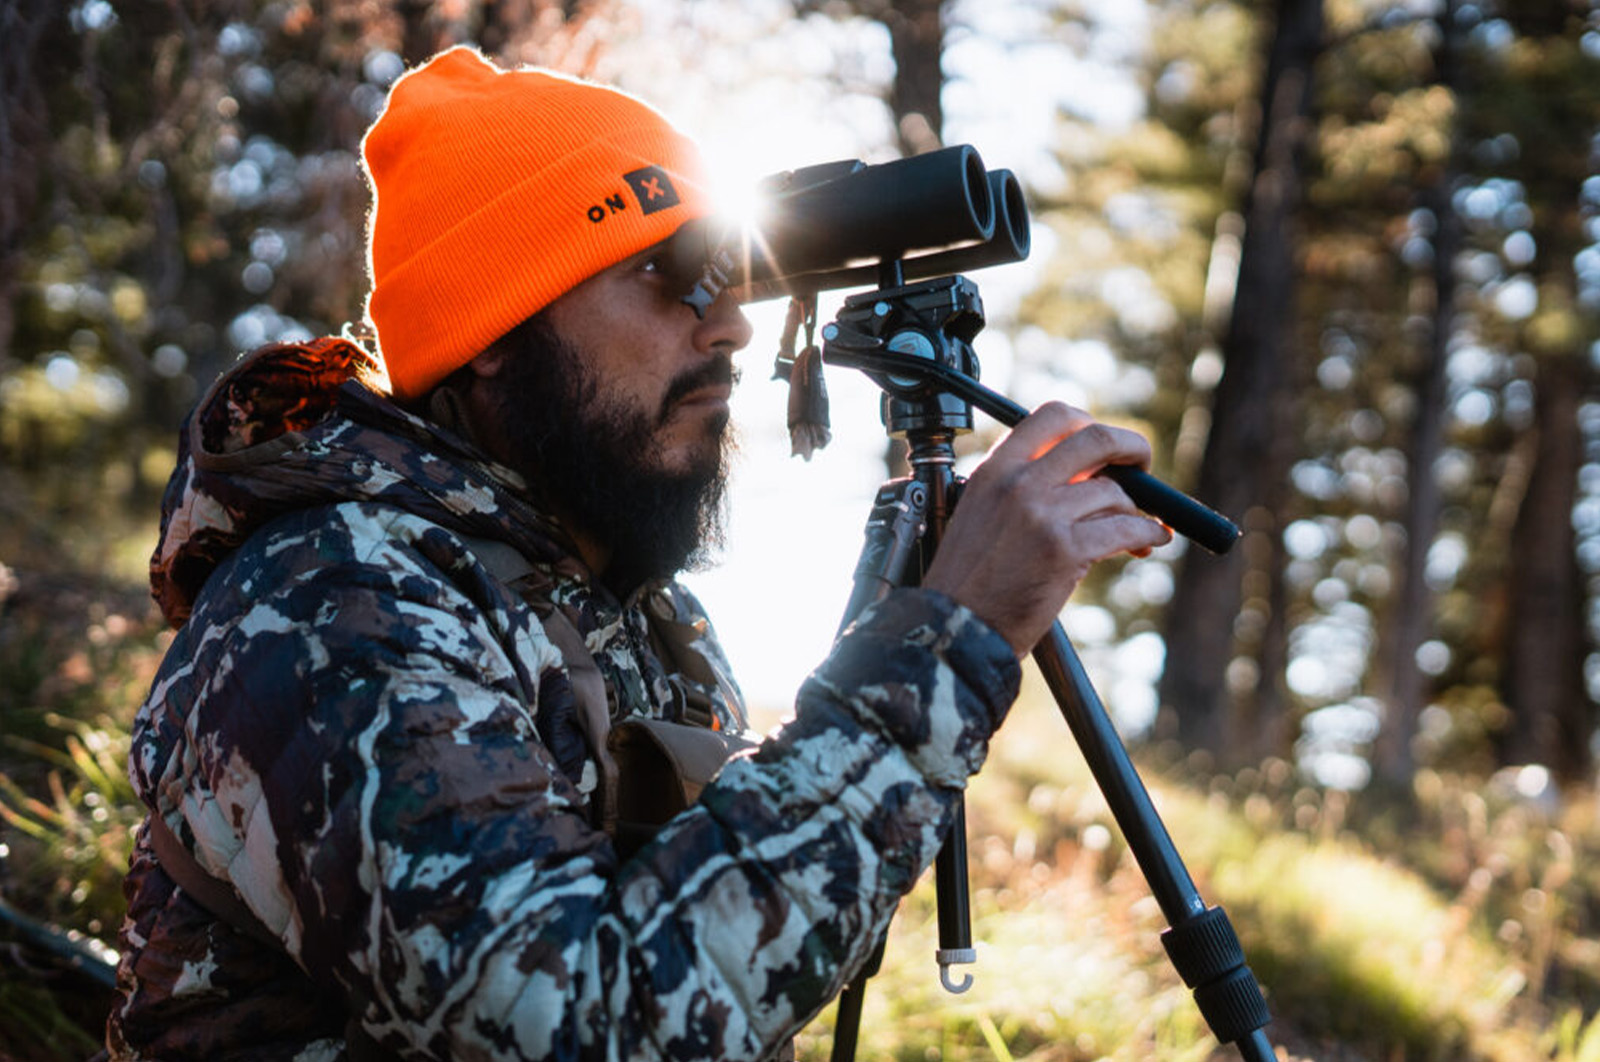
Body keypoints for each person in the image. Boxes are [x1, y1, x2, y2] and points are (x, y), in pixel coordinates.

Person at [106, 46, 1170, 1061]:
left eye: (728, 272)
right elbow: (581, 1023)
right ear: (490, 328)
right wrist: (948, 644)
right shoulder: (330, 599)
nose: (733, 328)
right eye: (668, 272)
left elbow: (743, 961)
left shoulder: (644, 616)